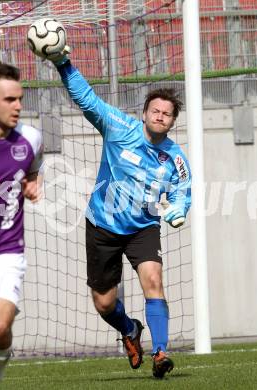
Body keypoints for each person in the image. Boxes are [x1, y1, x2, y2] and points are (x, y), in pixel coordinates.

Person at [33, 42, 191, 378]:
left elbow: (182, 191)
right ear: (145, 112)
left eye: (167, 114)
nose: (160, 117)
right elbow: (87, 99)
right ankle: (129, 329)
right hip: (102, 225)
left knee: (153, 279)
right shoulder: (119, 128)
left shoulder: (175, 158)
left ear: (173, 121)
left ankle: (161, 353)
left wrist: (178, 208)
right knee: (104, 303)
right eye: (156, 111)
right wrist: (63, 64)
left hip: (143, 227)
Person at [0, 62, 43, 381]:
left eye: (20, 99)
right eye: (9, 100)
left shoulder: (30, 138)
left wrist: (32, 181)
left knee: (0, 327)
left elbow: (33, 166)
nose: (18, 106)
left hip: (8, 252)